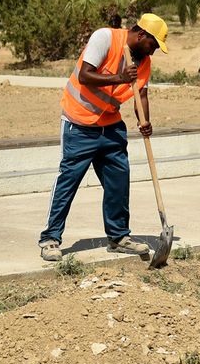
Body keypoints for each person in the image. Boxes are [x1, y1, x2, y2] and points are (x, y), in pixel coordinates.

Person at [39, 13, 169, 262]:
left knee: (119, 181)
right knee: (68, 182)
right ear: (141, 35)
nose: (152, 52)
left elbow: (141, 93)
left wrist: (145, 121)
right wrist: (119, 77)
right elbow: (84, 76)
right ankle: (50, 239)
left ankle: (119, 237)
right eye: (152, 45)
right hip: (79, 124)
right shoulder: (105, 38)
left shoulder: (143, 61)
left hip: (110, 126)